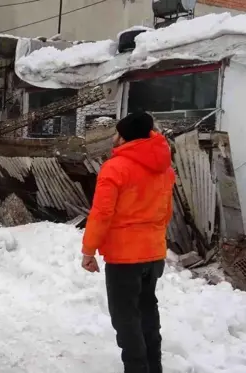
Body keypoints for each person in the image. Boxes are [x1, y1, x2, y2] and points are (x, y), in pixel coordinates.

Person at [81, 111, 175, 373]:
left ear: (124, 136)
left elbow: (102, 214)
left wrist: (89, 251)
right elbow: (166, 212)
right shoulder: (164, 167)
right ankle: (153, 367)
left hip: (124, 258)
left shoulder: (115, 168)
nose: (113, 136)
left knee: (126, 320)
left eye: (116, 132)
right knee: (147, 312)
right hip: (154, 254)